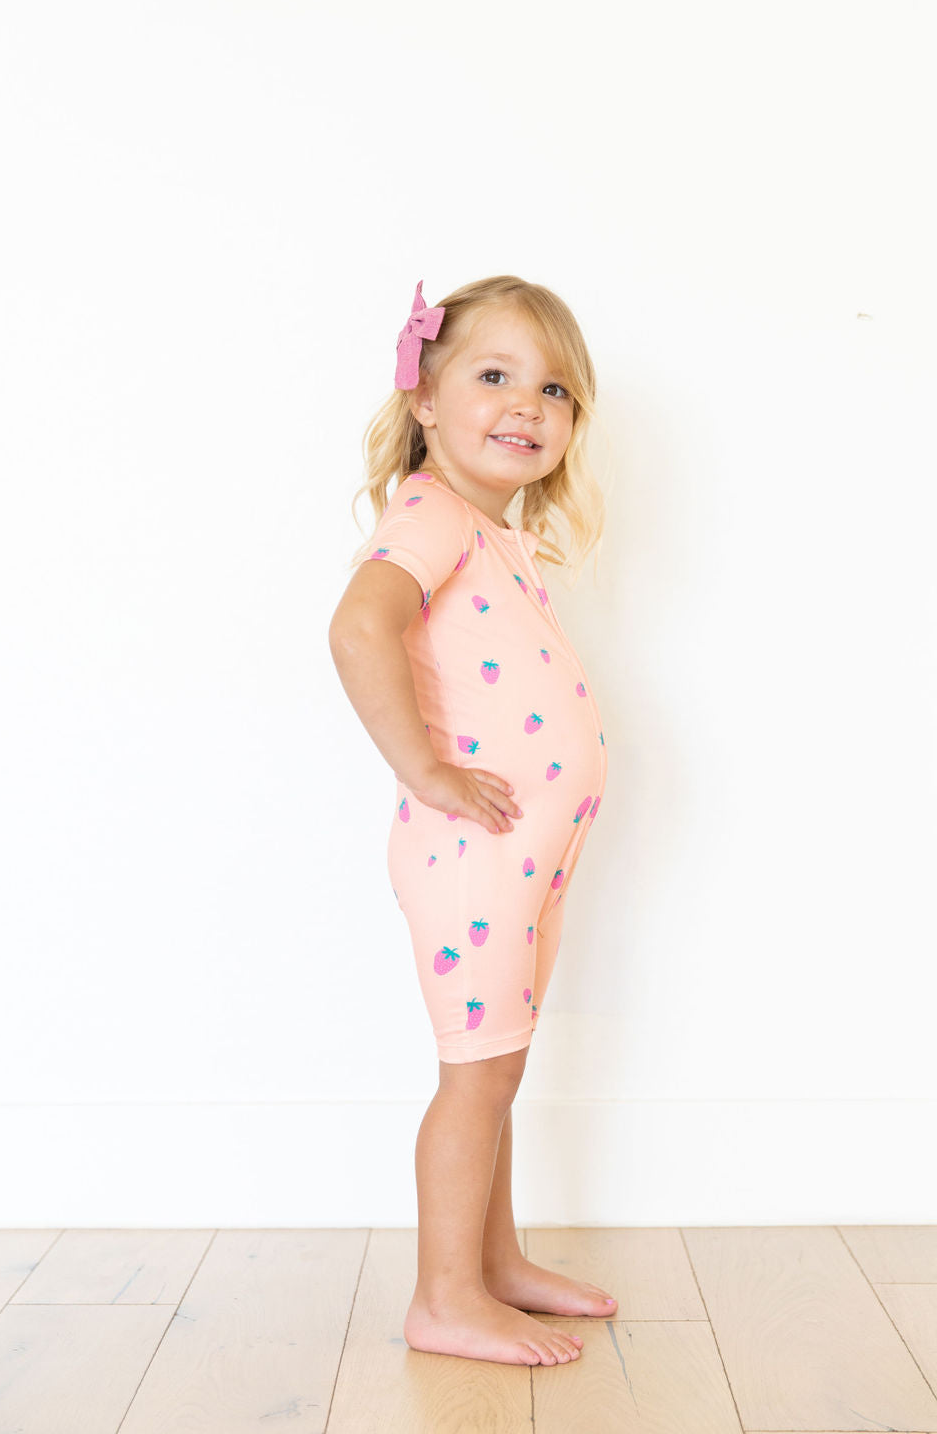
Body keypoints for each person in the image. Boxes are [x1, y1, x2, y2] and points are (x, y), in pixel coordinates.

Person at [328, 274, 616, 1368]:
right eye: (493, 376)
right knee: (474, 1072)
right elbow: (358, 628)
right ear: (425, 400)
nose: (526, 405)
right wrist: (425, 769)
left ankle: (491, 1263)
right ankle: (443, 1297)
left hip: (524, 859)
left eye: (553, 389)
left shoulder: (493, 533)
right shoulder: (433, 514)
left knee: (500, 1066)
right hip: (471, 855)